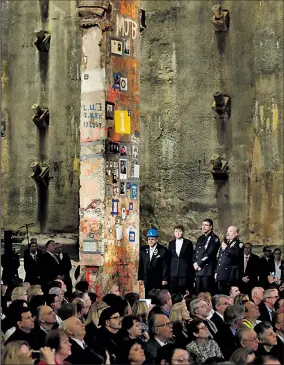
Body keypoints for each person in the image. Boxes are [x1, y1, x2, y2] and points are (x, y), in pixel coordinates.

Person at [138, 228, 169, 298]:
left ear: (156, 239)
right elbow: (141, 264)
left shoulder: (162, 250)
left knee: (157, 297)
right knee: (148, 296)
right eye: (149, 239)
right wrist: (140, 277)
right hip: (147, 278)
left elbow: (165, 266)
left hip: (158, 279)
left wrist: (164, 279)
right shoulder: (143, 250)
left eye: (152, 239)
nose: (150, 241)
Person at [193, 219, 220, 293]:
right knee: (198, 292)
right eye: (203, 225)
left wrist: (199, 264)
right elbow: (195, 252)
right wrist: (194, 262)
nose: (203, 227)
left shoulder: (214, 239)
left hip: (207, 270)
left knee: (206, 293)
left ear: (211, 227)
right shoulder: (200, 238)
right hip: (198, 270)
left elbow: (210, 254)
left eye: (206, 225)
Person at [216, 226, 243, 294]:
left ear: (236, 234)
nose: (228, 233)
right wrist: (217, 271)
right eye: (227, 231)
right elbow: (220, 259)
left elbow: (236, 254)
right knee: (220, 293)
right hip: (221, 274)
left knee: (229, 293)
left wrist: (226, 249)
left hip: (230, 275)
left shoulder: (239, 244)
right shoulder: (225, 243)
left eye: (230, 231)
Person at [168, 225, 194, 294]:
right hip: (173, 272)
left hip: (184, 272)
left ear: (183, 232)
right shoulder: (171, 243)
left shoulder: (188, 243)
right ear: (174, 233)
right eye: (176, 231)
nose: (178, 233)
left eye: (179, 231)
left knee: (183, 291)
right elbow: (169, 258)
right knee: (173, 292)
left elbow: (190, 258)